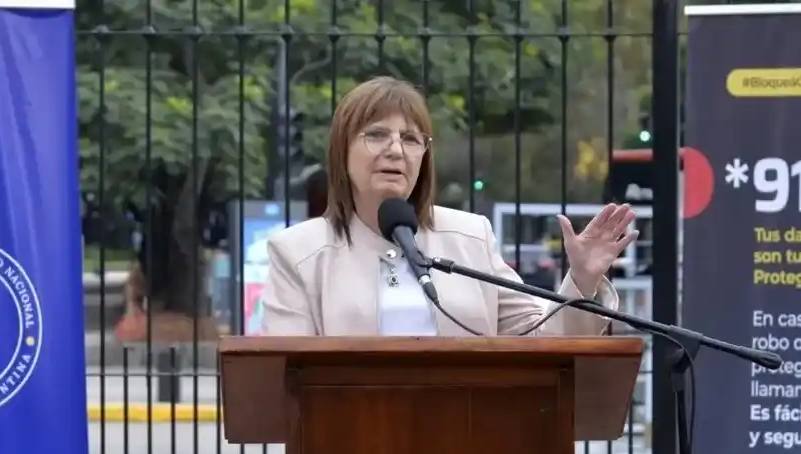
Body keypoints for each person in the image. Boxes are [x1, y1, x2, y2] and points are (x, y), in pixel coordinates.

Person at [260, 74, 637, 338]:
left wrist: (582, 279)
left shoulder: (470, 237)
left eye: (410, 139)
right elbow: (284, 375)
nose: (395, 150)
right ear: (341, 151)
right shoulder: (297, 252)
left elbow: (543, 339)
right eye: (376, 135)